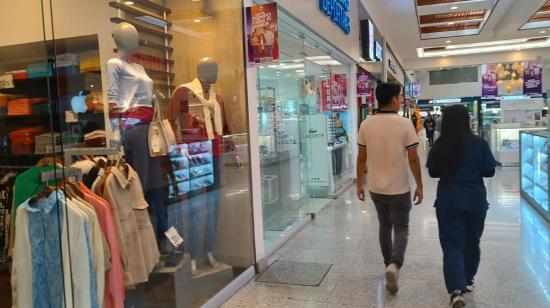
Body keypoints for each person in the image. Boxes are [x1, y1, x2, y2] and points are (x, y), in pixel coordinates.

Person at [426, 105, 497, 308]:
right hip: (475, 200)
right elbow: (490, 171)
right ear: (467, 120)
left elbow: (432, 172)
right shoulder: (479, 144)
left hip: (448, 200)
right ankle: (467, 278)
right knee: (472, 241)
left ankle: (456, 291)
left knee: (452, 244)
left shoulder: (440, 146)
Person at [356, 82, 423, 295]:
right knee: (401, 227)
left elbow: (361, 158)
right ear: (393, 99)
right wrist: (419, 185)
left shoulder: (366, 125)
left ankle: (388, 265)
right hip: (399, 187)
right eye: (400, 97)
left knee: (384, 225)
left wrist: (359, 183)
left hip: (376, 186)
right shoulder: (404, 124)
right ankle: (395, 265)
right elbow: (413, 159)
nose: (401, 100)